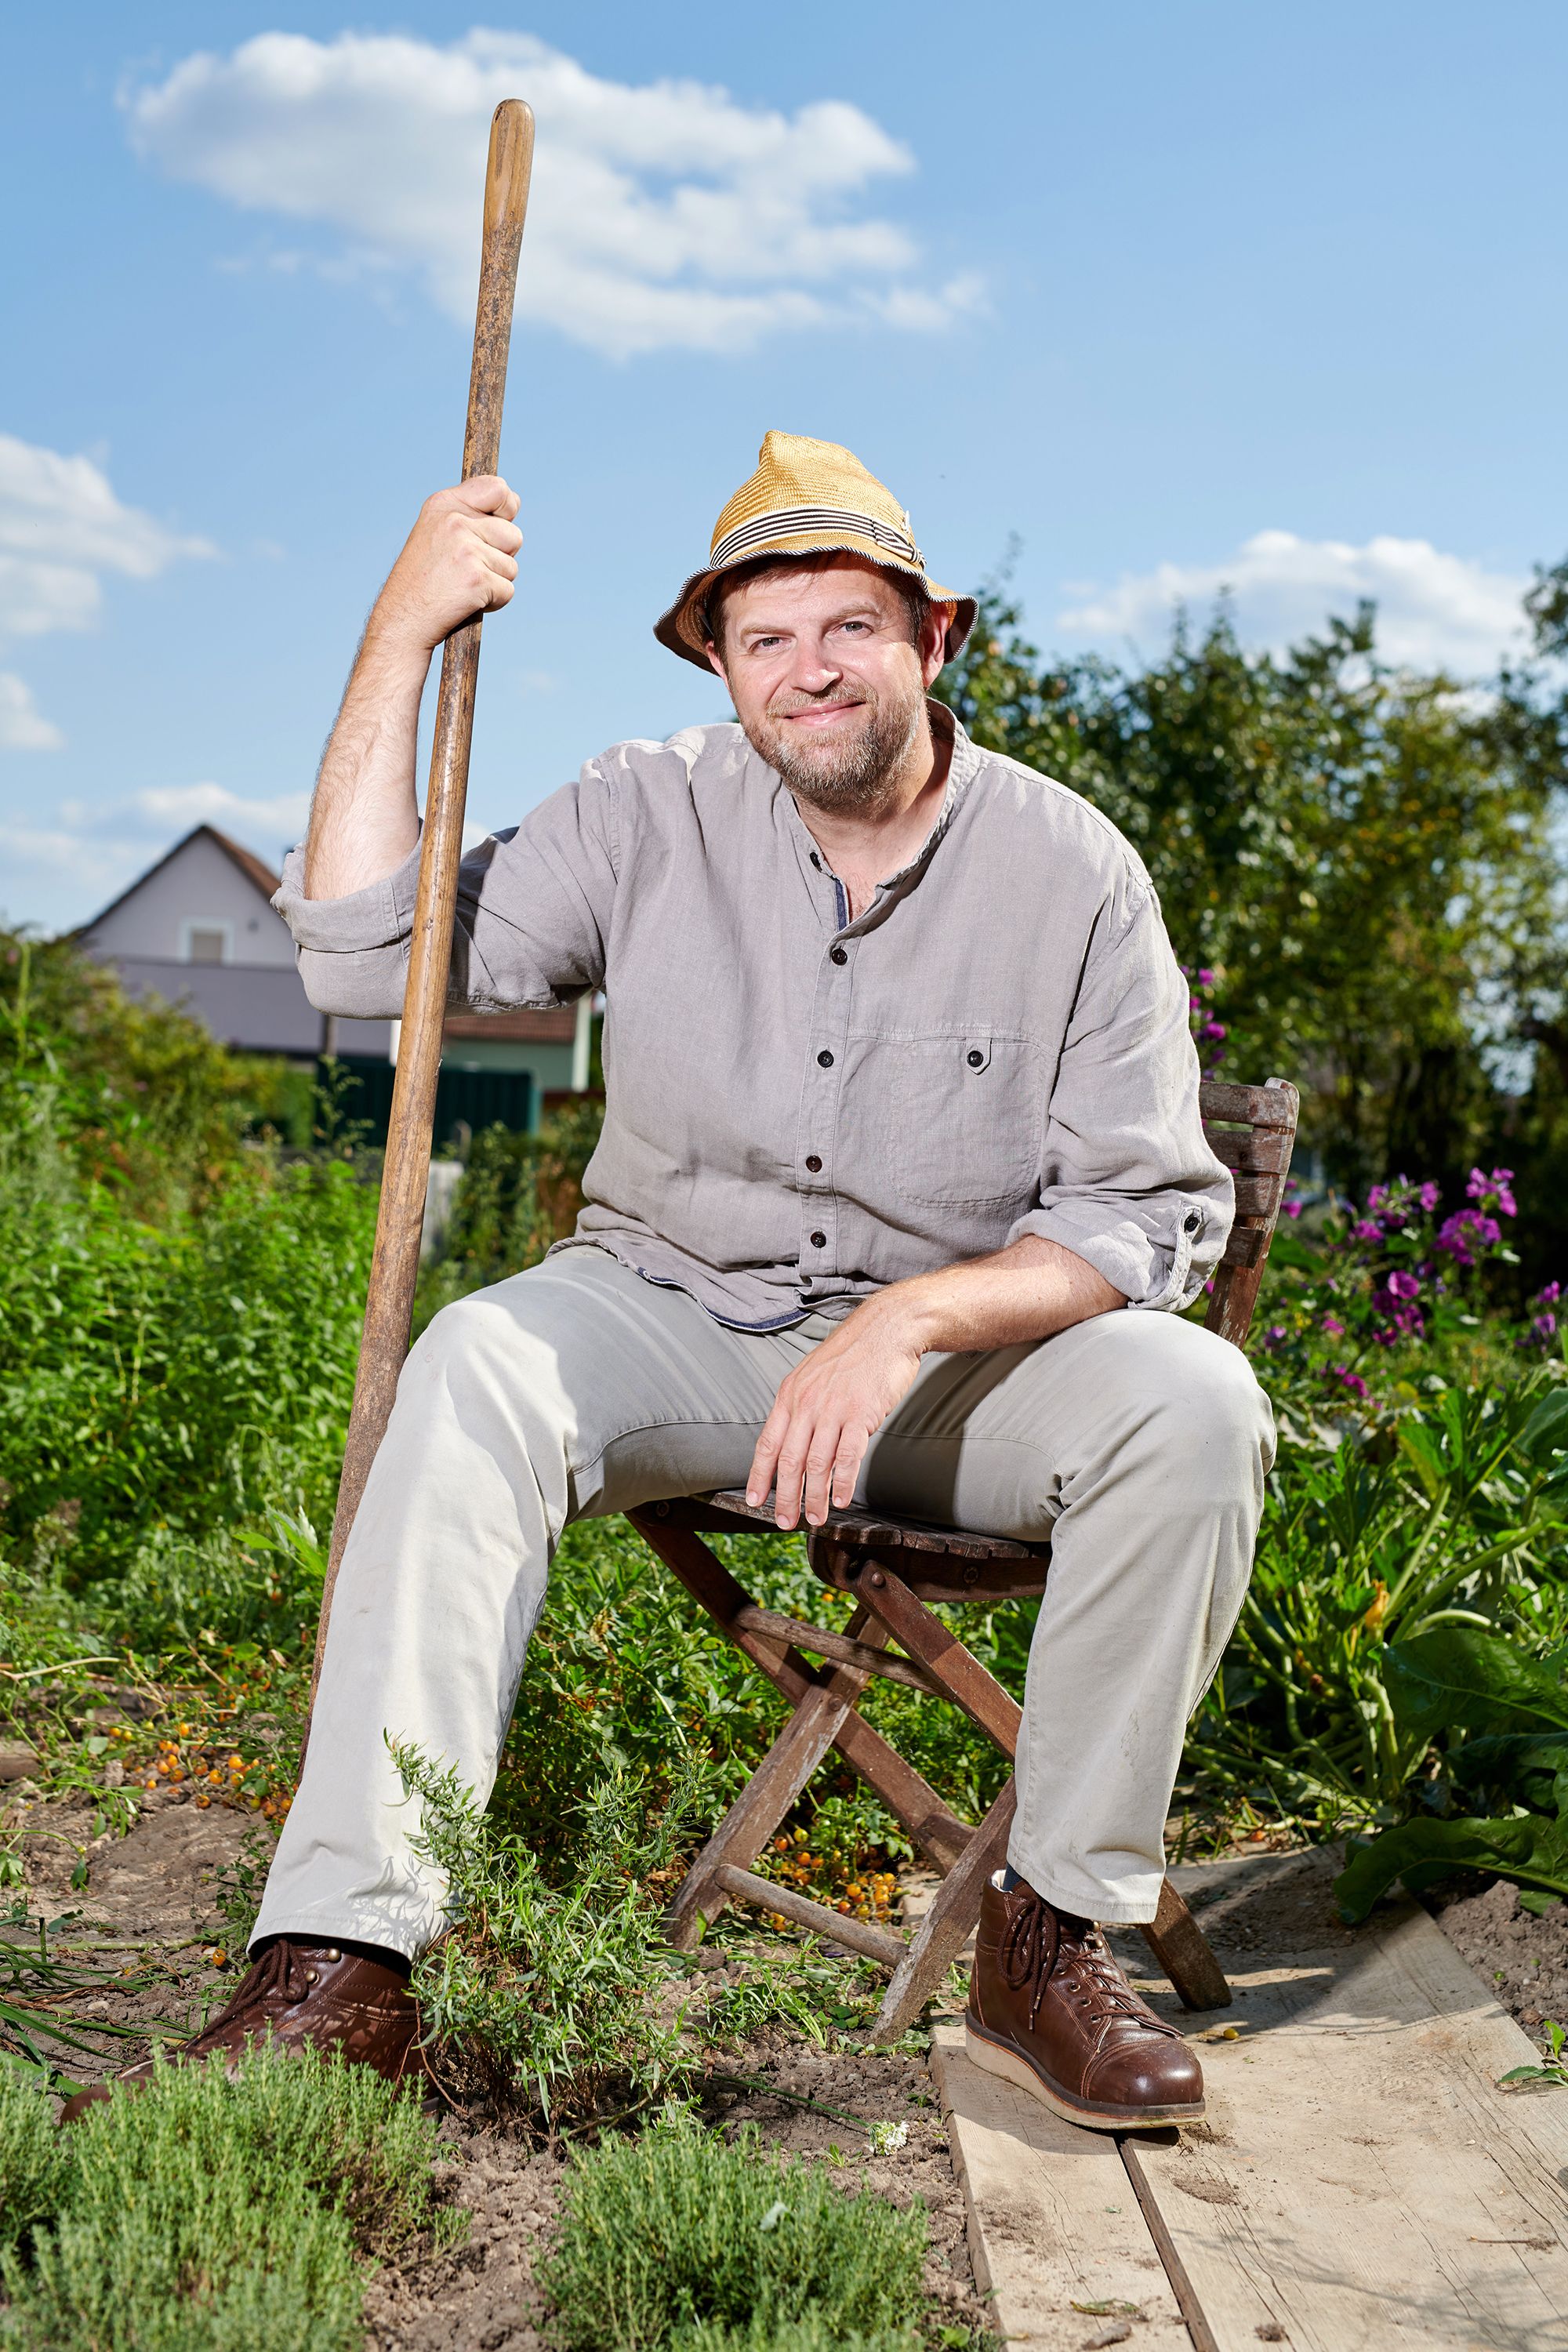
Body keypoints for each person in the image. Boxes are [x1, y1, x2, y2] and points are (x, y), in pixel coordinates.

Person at [64, 434, 1273, 2132]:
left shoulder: (1072, 874)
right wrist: (400, 630)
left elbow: (1137, 1220)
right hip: (672, 1315)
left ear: (937, 639)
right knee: (480, 1363)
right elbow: (360, 963)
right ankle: (345, 1968)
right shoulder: (644, 811)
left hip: (944, 1384)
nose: (807, 673)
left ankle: (1045, 1936)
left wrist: (905, 1320)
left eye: (847, 626)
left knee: (1197, 1402)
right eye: (761, 640)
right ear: (719, 666)